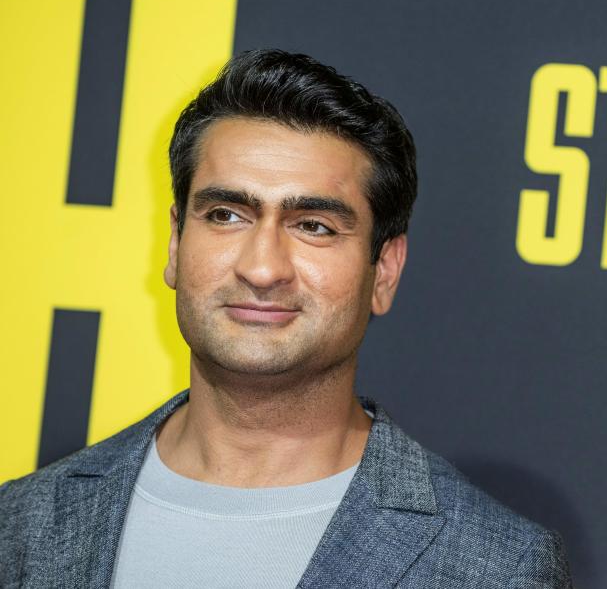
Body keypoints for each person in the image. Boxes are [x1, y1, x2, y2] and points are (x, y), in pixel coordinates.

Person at [0, 49, 572, 588]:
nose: (263, 267)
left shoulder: (494, 566)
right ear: (175, 242)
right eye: (226, 215)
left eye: (314, 226)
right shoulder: (22, 526)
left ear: (386, 270)